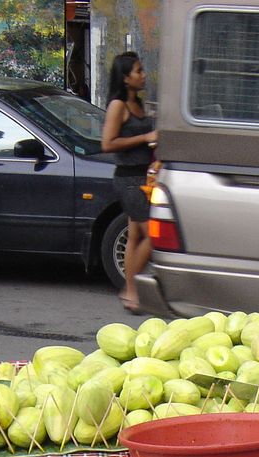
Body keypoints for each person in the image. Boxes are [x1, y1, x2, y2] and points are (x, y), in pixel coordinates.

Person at [101, 51, 158, 315]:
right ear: (125, 78)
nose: (143, 74)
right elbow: (108, 143)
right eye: (138, 70)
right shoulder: (118, 106)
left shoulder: (139, 104)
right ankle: (131, 289)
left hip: (145, 176)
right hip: (128, 179)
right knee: (154, 235)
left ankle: (131, 290)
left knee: (134, 234)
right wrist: (146, 136)